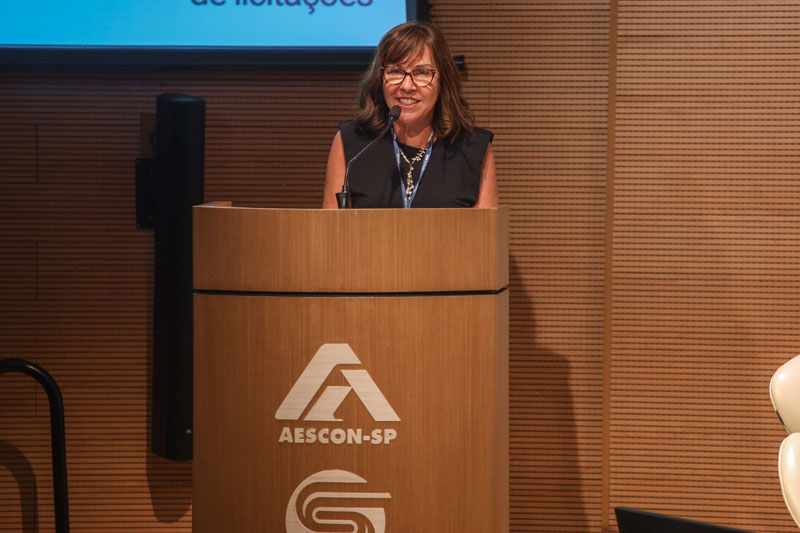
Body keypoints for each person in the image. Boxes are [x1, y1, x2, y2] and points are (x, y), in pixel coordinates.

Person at [322, 21, 498, 208]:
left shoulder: (474, 148)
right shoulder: (352, 143)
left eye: (422, 72)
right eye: (395, 71)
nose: (407, 86)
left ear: (443, 80)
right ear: (379, 78)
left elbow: (487, 227)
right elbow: (334, 226)